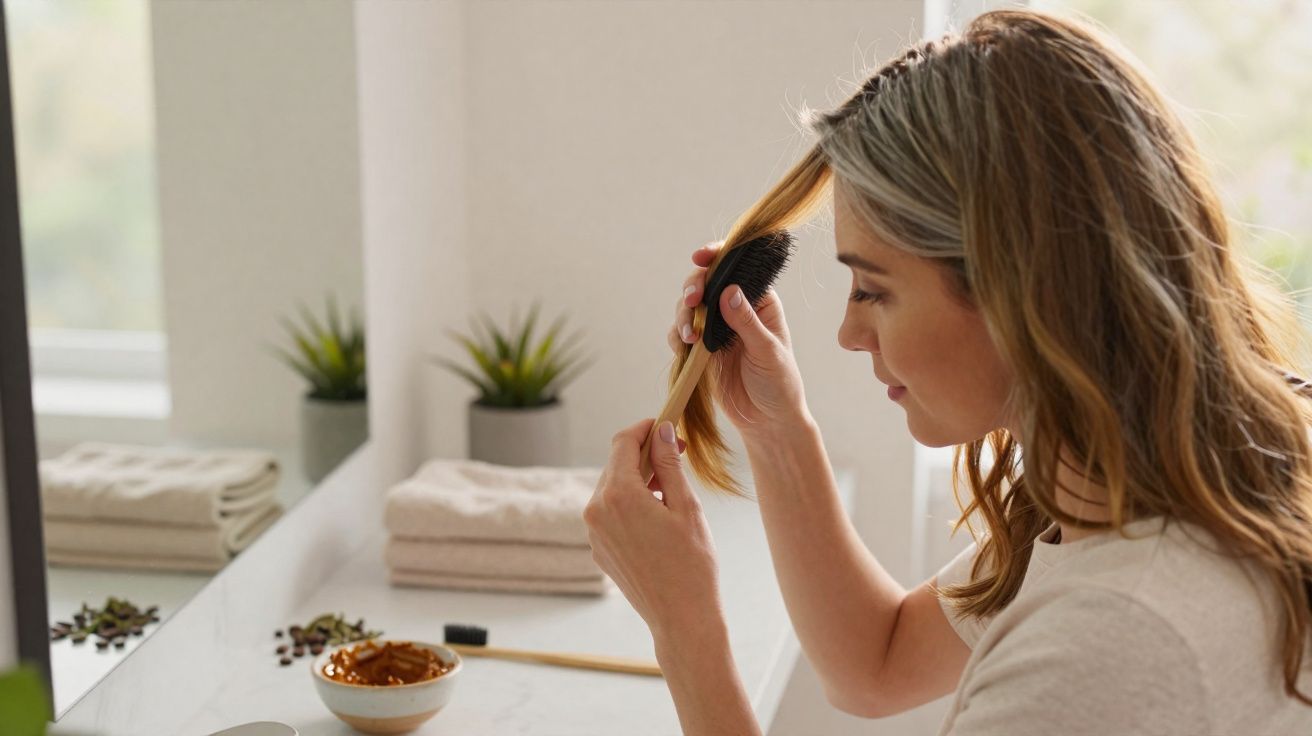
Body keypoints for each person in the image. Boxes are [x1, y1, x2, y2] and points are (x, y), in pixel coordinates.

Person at [583, 8, 1312, 735]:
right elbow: (878, 662)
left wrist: (684, 632)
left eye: (873, 289)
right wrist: (773, 425)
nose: (846, 332)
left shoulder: (1112, 644)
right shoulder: (1160, 471)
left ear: (1021, 289)